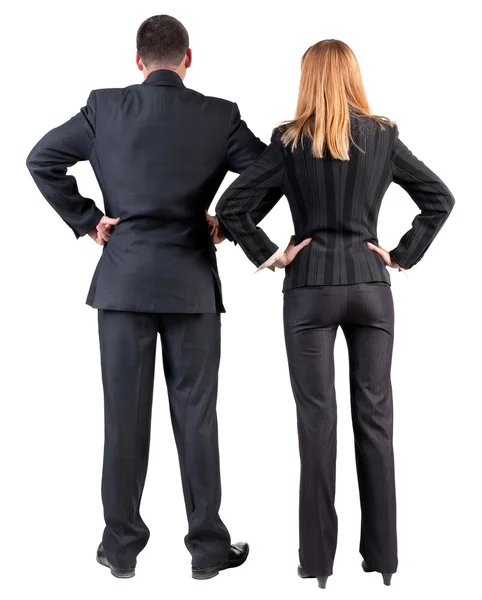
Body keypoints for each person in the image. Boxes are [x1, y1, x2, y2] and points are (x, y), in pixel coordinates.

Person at [26, 14, 277, 580]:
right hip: (191, 283)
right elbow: (274, 170)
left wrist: (89, 219)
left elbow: (41, 159)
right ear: (189, 59)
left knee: (124, 419)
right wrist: (231, 222)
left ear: (138, 61)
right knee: (197, 418)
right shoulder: (219, 114)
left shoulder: (104, 106)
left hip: (123, 284)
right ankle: (208, 551)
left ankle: (119, 549)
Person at [215, 39, 454, 589]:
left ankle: (318, 563)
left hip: (308, 290)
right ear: (353, 76)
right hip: (371, 288)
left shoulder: (289, 141)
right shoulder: (383, 136)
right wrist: (400, 254)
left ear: (308, 79)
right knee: (376, 421)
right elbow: (439, 198)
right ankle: (384, 561)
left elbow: (233, 207)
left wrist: (274, 255)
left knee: (315, 424)